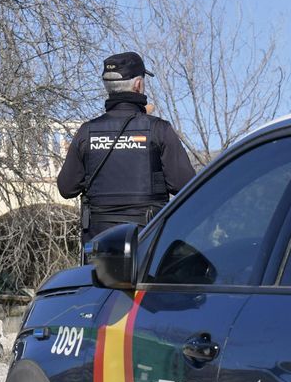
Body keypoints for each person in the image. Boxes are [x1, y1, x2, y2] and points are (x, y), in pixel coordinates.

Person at [57, 51, 196, 249]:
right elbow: (186, 185)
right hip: (147, 249)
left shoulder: (87, 132)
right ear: (138, 85)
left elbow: (66, 188)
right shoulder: (159, 130)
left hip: (99, 254)